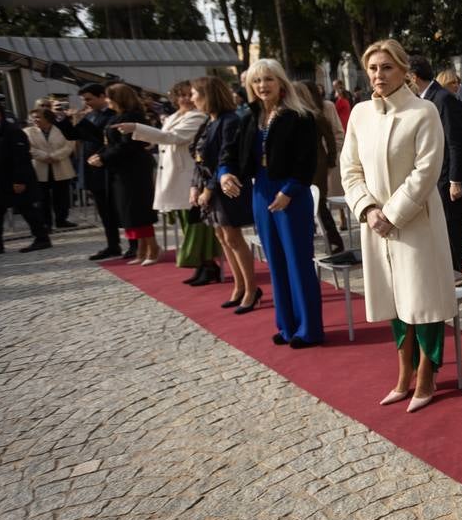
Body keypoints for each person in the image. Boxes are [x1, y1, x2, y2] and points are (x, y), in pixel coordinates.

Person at [342, 40, 458, 412]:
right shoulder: (360, 113)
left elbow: (426, 171)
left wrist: (391, 214)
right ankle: (403, 373)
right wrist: (368, 209)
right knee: (392, 300)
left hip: (416, 223)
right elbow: (350, 169)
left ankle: (427, 373)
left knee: (423, 301)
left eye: (386, 67)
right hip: (374, 225)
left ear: (404, 69)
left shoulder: (423, 111)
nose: (378, 74)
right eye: (373, 68)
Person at [224, 59, 323, 348]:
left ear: (281, 82)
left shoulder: (300, 116)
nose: (262, 86)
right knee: (275, 264)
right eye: (257, 81)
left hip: (292, 194)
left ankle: (309, 330)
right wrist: (224, 174)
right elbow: (229, 153)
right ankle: (287, 326)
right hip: (261, 193)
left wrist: (290, 191)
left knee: (297, 263)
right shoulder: (248, 117)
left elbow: (308, 161)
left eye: (268, 79)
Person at [114, 81, 217, 279]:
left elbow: (173, 137)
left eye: (189, 94)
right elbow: (163, 137)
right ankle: (201, 265)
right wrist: (147, 138)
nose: (186, 99)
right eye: (182, 95)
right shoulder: (172, 116)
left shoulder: (197, 116)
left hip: (187, 175)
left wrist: (137, 127)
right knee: (186, 223)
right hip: (172, 174)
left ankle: (207, 264)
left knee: (195, 224)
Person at [188, 77, 259, 309]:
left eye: (194, 94)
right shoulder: (208, 121)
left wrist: (208, 190)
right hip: (210, 188)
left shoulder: (230, 121)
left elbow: (226, 158)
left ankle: (250, 288)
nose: (191, 98)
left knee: (233, 238)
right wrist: (195, 186)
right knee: (222, 237)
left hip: (226, 188)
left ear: (207, 95)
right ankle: (239, 286)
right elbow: (199, 159)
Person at [408, 54, 462, 276]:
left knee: (453, 228)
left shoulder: (443, 99)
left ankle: (458, 273)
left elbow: (456, 143)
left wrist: (456, 181)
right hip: (435, 178)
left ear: (414, 77)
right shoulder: (426, 99)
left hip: (448, 180)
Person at [0, 100, 50, 254]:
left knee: (27, 209)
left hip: (13, 180)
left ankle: (42, 238)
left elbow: (21, 158)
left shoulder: (13, 131)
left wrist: (20, 180)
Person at [91, 84, 160, 265]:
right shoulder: (116, 117)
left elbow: (128, 146)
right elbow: (111, 143)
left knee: (138, 210)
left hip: (134, 169)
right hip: (121, 170)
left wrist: (104, 158)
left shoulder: (133, 117)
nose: (107, 101)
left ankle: (152, 248)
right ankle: (140, 249)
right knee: (127, 211)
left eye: (109, 97)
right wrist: (99, 154)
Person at [54, 83, 123, 259]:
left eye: (89, 99)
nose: (86, 103)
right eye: (84, 100)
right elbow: (73, 135)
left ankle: (134, 244)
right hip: (92, 168)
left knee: (117, 208)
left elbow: (103, 137)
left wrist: (83, 121)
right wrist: (62, 119)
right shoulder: (91, 115)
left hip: (108, 167)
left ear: (102, 96)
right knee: (104, 211)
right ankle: (112, 244)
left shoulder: (113, 114)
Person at [298, 81, 346, 255]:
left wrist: (331, 160)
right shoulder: (297, 113)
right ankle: (322, 235)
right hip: (307, 165)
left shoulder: (321, 110)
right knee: (314, 202)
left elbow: (334, 136)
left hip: (321, 164)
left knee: (320, 202)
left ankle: (334, 240)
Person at [25, 107, 77, 229]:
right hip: (40, 167)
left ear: (48, 118)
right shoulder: (28, 131)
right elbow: (29, 148)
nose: (35, 120)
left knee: (62, 197)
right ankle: (45, 222)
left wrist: (55, 156)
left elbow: (69, 145)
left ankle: (61, 220)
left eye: (38, 117)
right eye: (33, 117)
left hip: (60, 165)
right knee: (42, 198)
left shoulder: (61, 129)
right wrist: (44, 156)